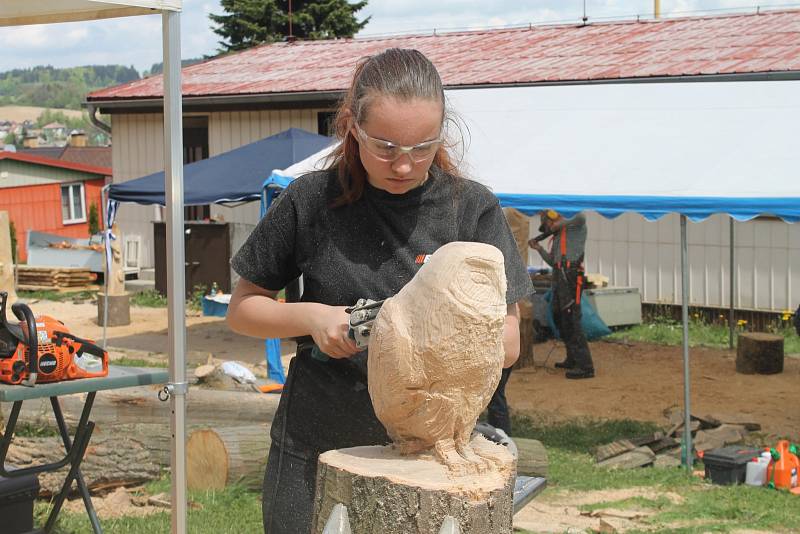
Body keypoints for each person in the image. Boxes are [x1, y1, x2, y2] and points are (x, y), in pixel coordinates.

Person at [226, 48, 533, 533]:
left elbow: (510, 343)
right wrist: (314, 318)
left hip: (432, 456)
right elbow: (243, 310)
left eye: (422, 148)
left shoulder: (470, 209)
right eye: (385, 147)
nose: (404, 166)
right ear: (353, 126)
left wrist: (429, 346)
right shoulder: (310, 200)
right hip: (318, 437)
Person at [528, 210, 595, 379]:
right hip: (559, 275)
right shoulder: (557, 236)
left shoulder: (574, 225)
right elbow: (552, 261)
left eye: (549, 224)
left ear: (554, 217)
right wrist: (539, 249)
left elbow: (582, 216)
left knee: (572, 319)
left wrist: (559, 224)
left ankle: (586, 367)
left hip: (571, 274)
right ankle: (572, 358)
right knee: (560, 317)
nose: (549, 227)